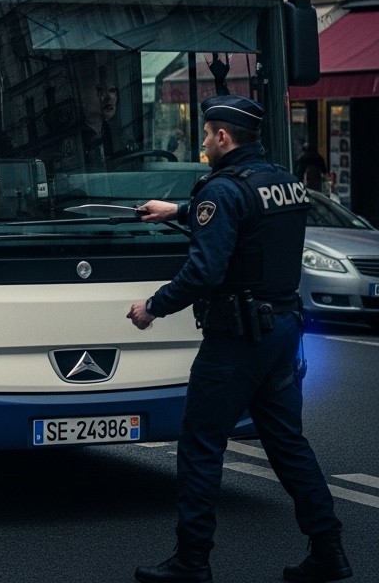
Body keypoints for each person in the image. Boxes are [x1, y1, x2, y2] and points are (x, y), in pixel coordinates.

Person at [127, 95, 351, 583]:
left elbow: (205, 270)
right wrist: (179, 211)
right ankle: (329, 550)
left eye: (207, 135)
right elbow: (249, 226)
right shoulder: (284, 182)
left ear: (223, 137)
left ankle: (191, 560)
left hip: (236, 339)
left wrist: (153, 307)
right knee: (287, 444)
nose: (204, 143)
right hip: (284, 330)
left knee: (201, 444)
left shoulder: (222, 190)